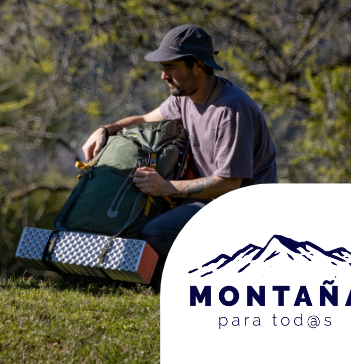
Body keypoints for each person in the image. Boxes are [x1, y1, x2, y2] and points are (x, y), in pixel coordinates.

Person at [81, 25, 277, 288]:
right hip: (210, 199)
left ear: (197, 66)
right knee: (133, 216)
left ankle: (201, 284)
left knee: (155, 232)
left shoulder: (231, 110)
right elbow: (144, 120)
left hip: (242, 211)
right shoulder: (185, 97)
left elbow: (230, 184)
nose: (163, 75)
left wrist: (166, 188)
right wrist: (104, 129)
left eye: (171, 67)